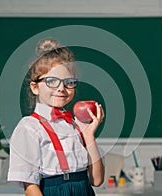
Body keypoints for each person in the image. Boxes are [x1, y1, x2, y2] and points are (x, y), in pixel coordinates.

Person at [7, 38, 105, 196]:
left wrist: (88, 136)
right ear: (35, 87)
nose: (61, 88)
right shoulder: (29, 127)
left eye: (69, 82)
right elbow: (30, 187)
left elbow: (97, 180)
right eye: (51, 81)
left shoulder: (74, 125)